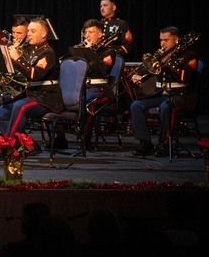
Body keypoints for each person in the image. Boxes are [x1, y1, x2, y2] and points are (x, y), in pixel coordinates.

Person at [0, 18, 64, 148]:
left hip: (46, 98)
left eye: (33, 31)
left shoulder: (48, 53)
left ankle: (9, 146)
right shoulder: (29, 50)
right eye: (28, 30)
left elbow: (34, 75)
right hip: (29, 95)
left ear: (43, 34)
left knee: (20, 107)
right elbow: (15, 70)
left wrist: (18, 58)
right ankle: (27, 144)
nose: (28, 34)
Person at [129, 26, 200, 157]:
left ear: (176, 40)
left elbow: (184, 78)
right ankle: (145, 142)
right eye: (161, 40)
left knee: (166, 106)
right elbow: (148, 69)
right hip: (164, 94)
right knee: (136, 105)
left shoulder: (189, 56)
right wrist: (138, 75)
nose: (162, 44)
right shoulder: (162, 55)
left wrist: (168, 63)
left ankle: (165, 144)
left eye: (166, 40)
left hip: (183, 96)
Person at [79, 18, 124, 145]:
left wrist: (90, 53)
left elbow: (103, 70)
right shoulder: (82, 50)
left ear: (99, 35)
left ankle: (85, 138)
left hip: (102, 90)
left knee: (87, 102)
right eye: (86, 32)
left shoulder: (108, 52)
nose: (87, 36)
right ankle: (60, 138)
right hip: (84, 87)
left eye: (91, 32)